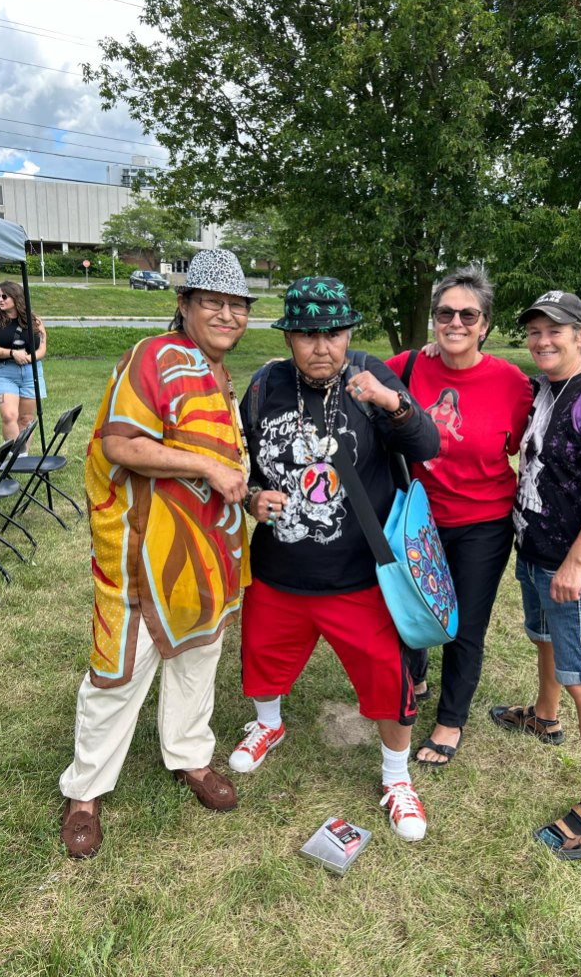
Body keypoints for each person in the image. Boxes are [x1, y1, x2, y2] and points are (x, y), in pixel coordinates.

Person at [59, 249, 254, 859]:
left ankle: (190, 757)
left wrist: (247, 493)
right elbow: (120, 444)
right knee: (118, 670)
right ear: (185, 305)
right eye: (212, 303)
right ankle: (86, 791)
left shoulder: (218, 375)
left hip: (207, 550)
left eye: (237, 305)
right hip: (143, 551)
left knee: (198, 655)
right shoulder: (156, 357)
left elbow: (228, 463)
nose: (227, 314)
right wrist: (204, 464)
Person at [230, 276, 440, 841]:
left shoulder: (369, 376)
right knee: (263, 657)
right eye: (308, 335)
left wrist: (391, 402)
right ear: (290, 337)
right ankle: (267, 725)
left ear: (349, 334)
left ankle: (396, 779)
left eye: (334, 333)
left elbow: (428, 446)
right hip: (280, 571)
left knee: (384, 678)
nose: (322, 347)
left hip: (359, 575)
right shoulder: (262, 386)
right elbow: (243, 464)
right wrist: (252, 498)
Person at [490, 290, 581, 859]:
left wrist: (576, 563)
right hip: (535, 550)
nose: (543, 340)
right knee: (542, 637)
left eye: (557, 330)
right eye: (534, 331)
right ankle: (545, 718)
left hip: (574, 564)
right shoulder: (547, 388)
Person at [385, 264, 533, 765]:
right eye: (445, 313)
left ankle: (450, 721)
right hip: (417, 518)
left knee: (464, 625)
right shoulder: (407, 365)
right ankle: (416, 680)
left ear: (485, 324)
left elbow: (540, 437)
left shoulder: (511, 384)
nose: (456, 323)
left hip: (483, 523)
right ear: (433, 320)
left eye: (468, 315)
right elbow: (355, 378)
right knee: (411, 607)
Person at [0, 281, 47, 445]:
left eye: (5, 296)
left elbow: (42, 348)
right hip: (3, 372)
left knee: (26, 418)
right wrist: (12, 354)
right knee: (9, 415)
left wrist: (29, 358)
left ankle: (22, 457)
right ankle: (12, 457)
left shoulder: (34, 320)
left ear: (16, 298)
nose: (0, 300)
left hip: (30, 371)